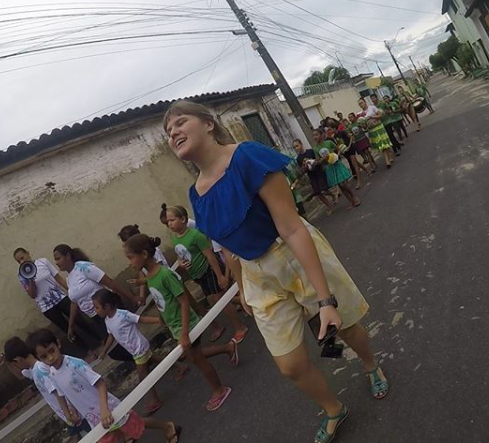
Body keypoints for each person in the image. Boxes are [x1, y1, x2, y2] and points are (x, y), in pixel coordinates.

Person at [164, 101, 388, 443]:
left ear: (208, 123)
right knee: (290, 365)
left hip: (290, 252)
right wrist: (242, 289)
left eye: (180, 122)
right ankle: (334, 408)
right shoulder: (196, 194)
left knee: (341, 326)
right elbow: (227, 247)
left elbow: (292, 228)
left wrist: (325, 300)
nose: (173, 132)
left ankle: (371, 365)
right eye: (168, 131)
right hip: (256, 275)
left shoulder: (247, 157)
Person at [124, 234, 238, 412]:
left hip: (186, 325)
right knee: (194, 356)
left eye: (131, 257)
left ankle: (220, 389)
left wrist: (184, 333)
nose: (130, 263)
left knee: (197, 359)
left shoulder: (165, 274)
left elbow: (184, 302)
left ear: (144, 254)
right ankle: (228, 348)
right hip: (176, 326)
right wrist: (163, 318)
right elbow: (161, 299)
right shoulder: (151, 276)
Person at [28, 328, 182, 443]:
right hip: (93, 417)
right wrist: (70, 413)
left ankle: (167, 426)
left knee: (134, 423)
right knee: (109, 437)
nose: (50, 358)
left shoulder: (74, 364)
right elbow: (64, 394)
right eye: (44, 356)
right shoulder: (52, 373)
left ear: (58, 344)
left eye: (52, 351)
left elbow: (100, 383)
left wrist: (104, 409)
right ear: (39, 359)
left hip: (107, 408)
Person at [165, 205, 249, 344]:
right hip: (198, 275)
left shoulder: (195, 235)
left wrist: (220, 276)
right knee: (216, 300)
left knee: (220, 300)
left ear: (183, 219)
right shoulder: (175, 238)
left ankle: (240, 327)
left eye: (172, 220)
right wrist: (180, 263)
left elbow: (210, 256)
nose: (170, 224)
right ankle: (245, 301)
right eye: (168, 221)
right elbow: (180, 254)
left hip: (208, 270)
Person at [52, 244, 139, 362]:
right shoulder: (69, 278)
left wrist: (132, 297)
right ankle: (141, 360)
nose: (57, 263)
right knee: (114, 349)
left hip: (109, 309)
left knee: (122, 342)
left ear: (68, 256)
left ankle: (143, 359)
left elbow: (109, 282)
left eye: (58, 258)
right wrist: (71, 326)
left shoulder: (84, 267)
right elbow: (74, 302)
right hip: (96, 317)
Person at [3, 337, 91, 443]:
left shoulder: (40, 371)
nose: (17, 367)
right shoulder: (34, 370)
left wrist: (69, 412)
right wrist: (8, 363)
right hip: (70, 415)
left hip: (74, 414)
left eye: (15, 364)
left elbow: (58, 391)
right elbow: (20, 375)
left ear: (18, 360)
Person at [92, 289, 164, 415]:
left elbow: (140, 319)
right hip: (134, 350)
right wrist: (104, 351)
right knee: (152, 358)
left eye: (97, 307)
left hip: (139, 348)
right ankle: (179, 366)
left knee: (143, 375)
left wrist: (158, 320)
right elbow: (111, 336)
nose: (95, 311)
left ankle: (154, 399)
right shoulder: (107, 321)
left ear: (107, 306)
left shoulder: (123, 315)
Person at [13, 248, 94, 348]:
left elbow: (58, 278)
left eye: (22, 257)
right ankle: (87, 350)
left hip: (60, 297)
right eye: (19, 261)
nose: (22, 262)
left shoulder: (43, 262)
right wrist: (30, 279)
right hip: (47, 307)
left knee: (79, 319)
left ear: (28, 253)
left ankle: (99, 339)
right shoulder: (22, 275)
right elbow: (32, 295)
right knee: (66, 328)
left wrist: (73, 291)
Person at [313, 128, 361, 209]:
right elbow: (318, 160)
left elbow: (338, 149)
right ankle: (350, 202)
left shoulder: (328, 142)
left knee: (343, 184)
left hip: (336, 165)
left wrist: (336, 156)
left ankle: (353, 196)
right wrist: (323, 159)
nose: (315, 137)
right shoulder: (315, 149)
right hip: (329, 168)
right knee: (340, 186)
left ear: (321, 135)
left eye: (316, 135)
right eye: (313, 135)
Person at [293, 139, 338, 216]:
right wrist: (305, 167)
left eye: (297, 146)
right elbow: (302, 169)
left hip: (319, 172)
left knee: (323, 191)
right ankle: (330, 207)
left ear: (301, 144)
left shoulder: (311, 151)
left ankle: (333, 195)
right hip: (312, 176)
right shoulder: (298, 159)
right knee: (318, 193)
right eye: (294, 147)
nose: (296, 148)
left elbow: (319, 159)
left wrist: (314, 162)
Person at [357, 98, 395, 168]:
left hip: (379, 127)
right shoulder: (361, 115)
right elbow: (365, 127)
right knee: (381, 145)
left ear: (365, 102)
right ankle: (389, 156)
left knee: (384, 144)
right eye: (359, 104)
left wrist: (371, 117)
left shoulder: (372, 108)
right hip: (372, 131)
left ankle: (387, 161)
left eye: (361, 102)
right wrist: (362, 124)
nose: (361, 105)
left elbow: (381, 115)